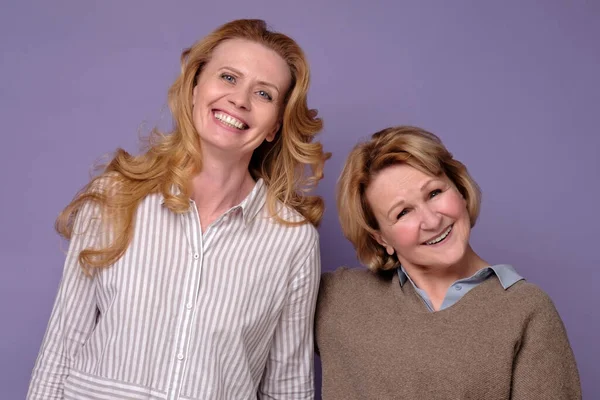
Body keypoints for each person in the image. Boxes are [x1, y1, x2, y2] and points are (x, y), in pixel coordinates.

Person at [28, 19, 329, 400]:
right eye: (228, 77)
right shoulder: (116, 197)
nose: (239, 100)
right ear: (194, 89)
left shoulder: (292, 241)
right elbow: (62, 348)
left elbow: (287, 386)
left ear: (275, 126)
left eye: (264, 94)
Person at [315, 126, 581, 399]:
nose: (432, 221)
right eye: (403, 212)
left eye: (434, 193)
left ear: (460, 189)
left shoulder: (527, 310)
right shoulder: (337, 297)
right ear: (382, 238)